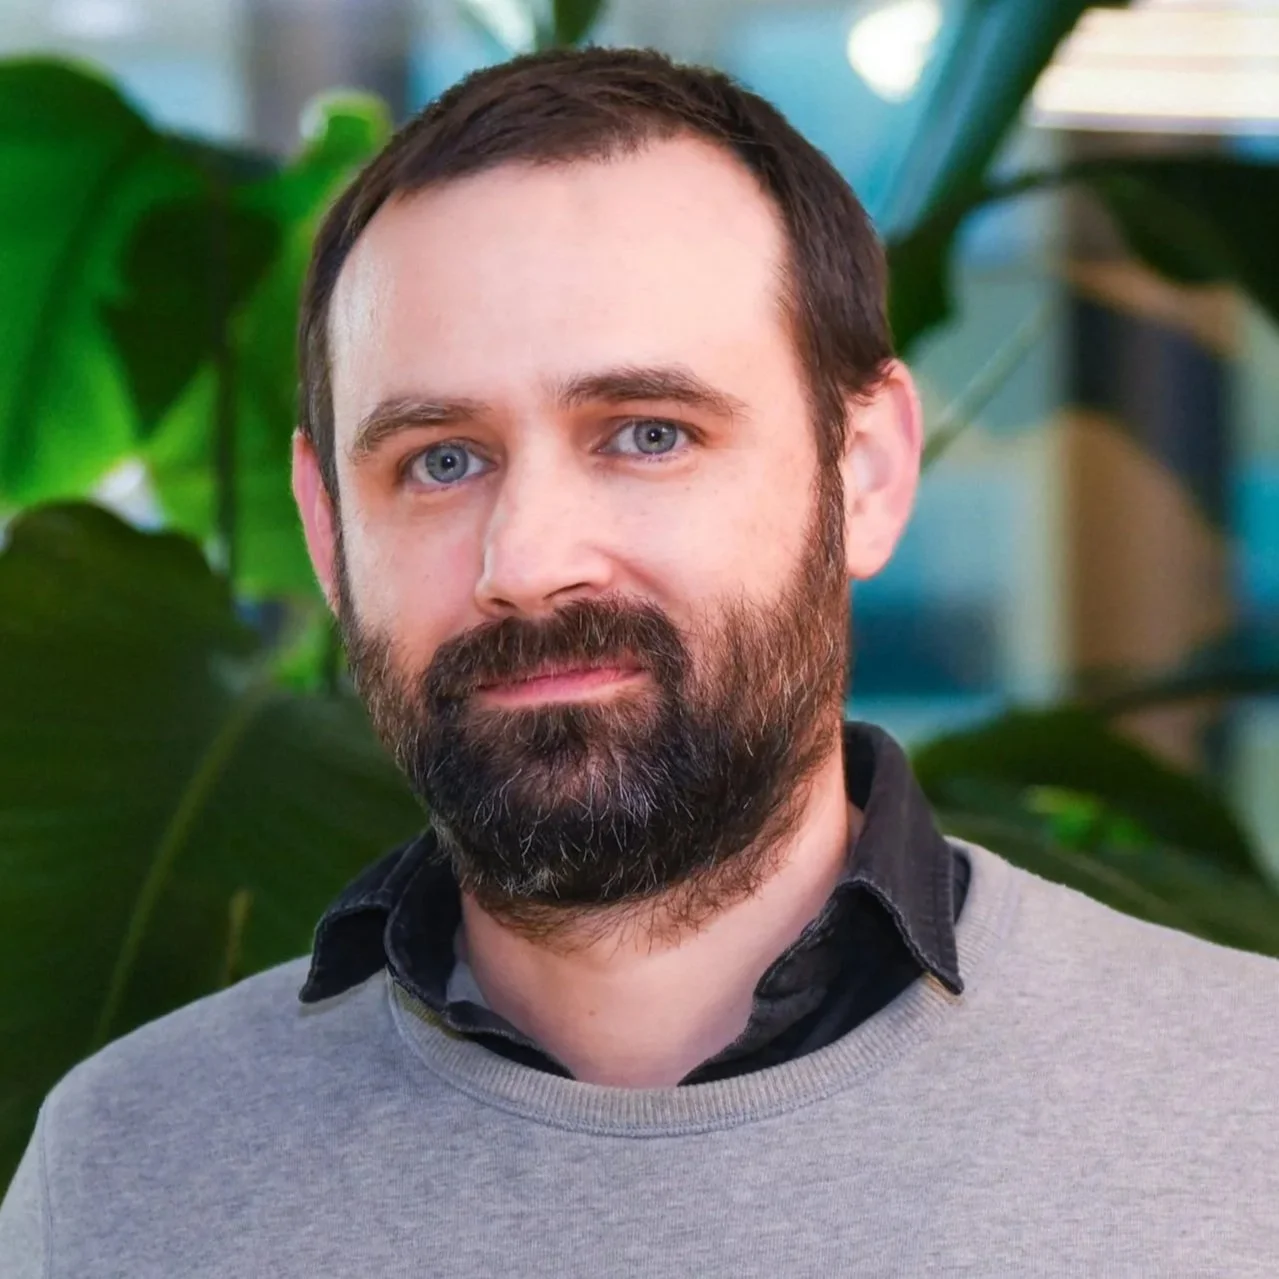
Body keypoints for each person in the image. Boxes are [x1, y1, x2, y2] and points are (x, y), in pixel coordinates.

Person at [2, 44, 1277, 1279]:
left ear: (868, 471)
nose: (529, 559)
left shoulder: (1241, 1110)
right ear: (328, 531)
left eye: (647, 433)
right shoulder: (122, 1173)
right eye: (440, 459)